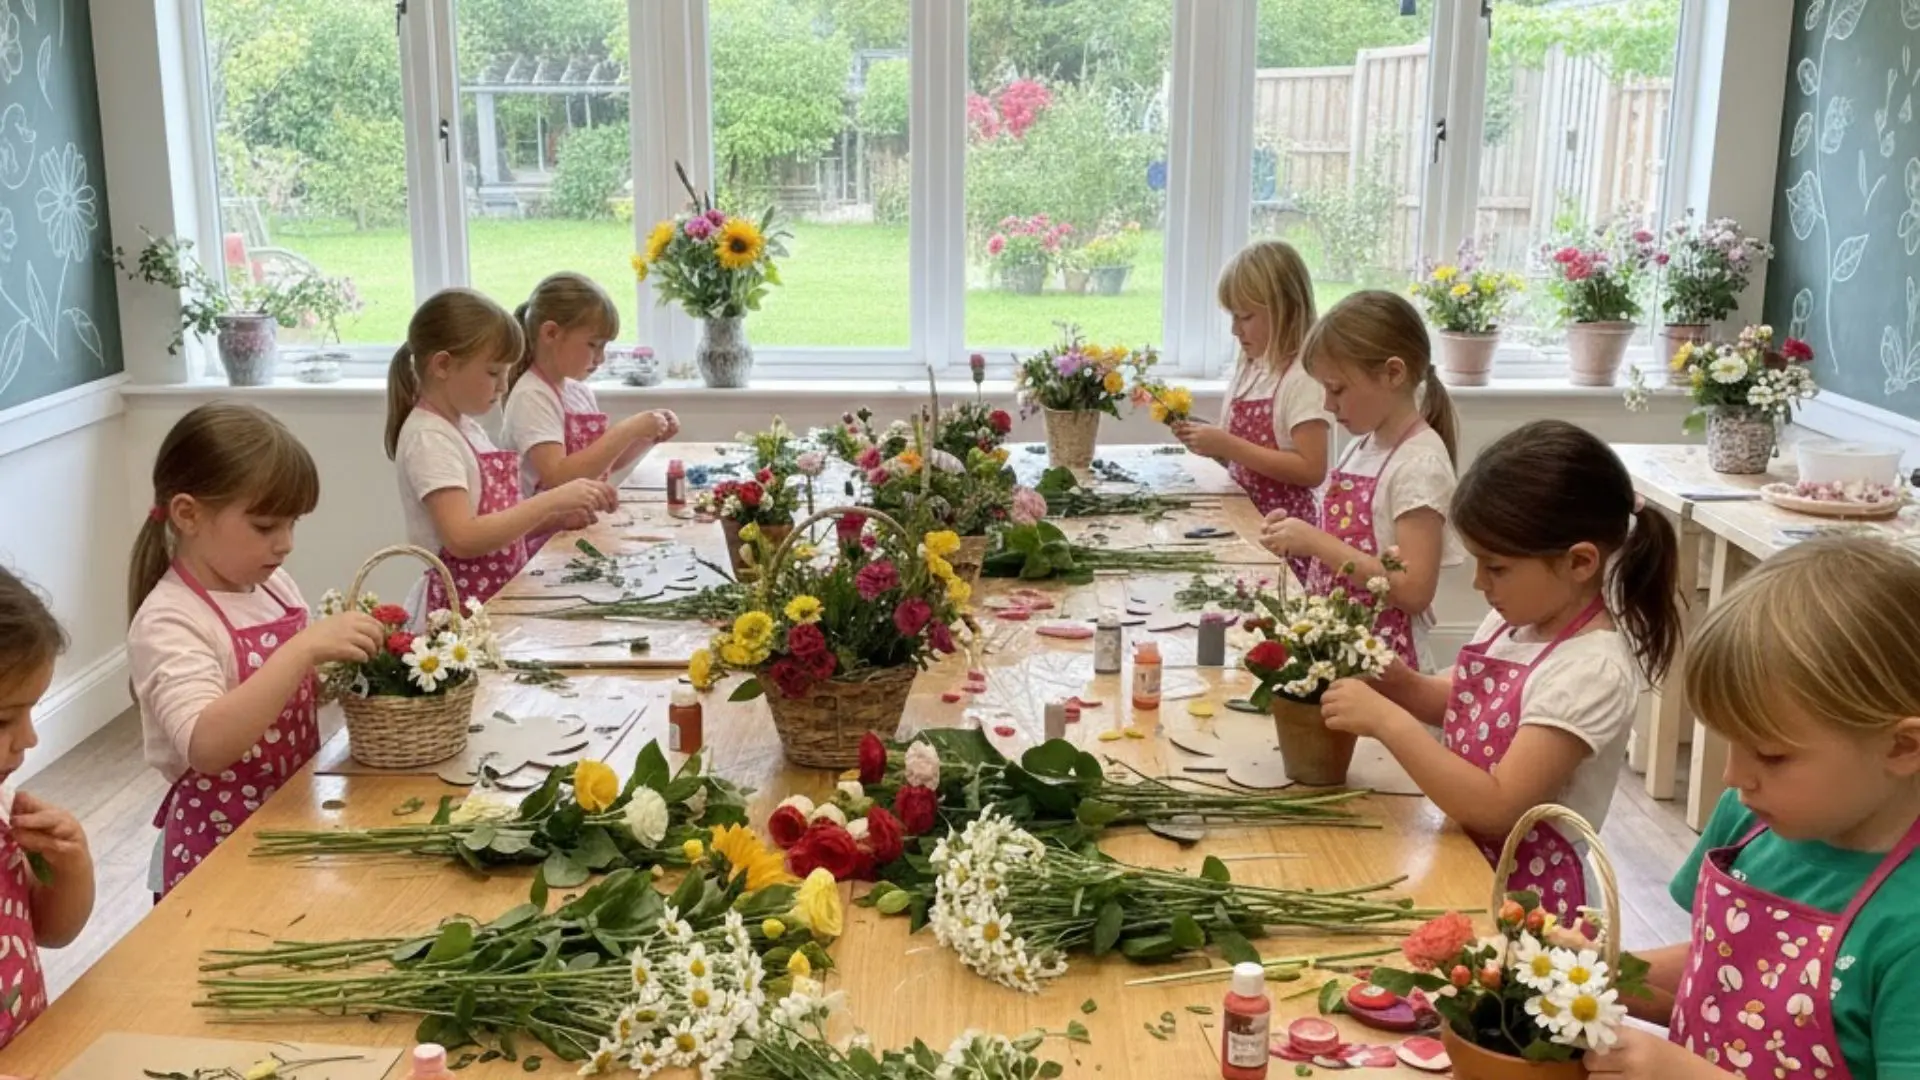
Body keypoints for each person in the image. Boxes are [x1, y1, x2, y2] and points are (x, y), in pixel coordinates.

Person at [1316, 421, 1679, 921]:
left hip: (1530, 908)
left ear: (1580, 562)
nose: (1479, 581)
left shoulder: (1590, 671)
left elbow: (1498, 806)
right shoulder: (1518, 620)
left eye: (1497, 566)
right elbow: (1464, 705)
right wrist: (1399, 683)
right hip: (1470, 864)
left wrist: (1388, 722)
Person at [1586, 536, 1920, 1079]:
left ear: (1902, 748)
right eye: (1727, 743)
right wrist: (1598, 974)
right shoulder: (1750, 823)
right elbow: (1723, 968)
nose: (1733, 776)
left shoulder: (1909, 926)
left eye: (1770, 754)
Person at [128, 403, 383, 897]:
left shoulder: (272, 586)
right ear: (188, 514)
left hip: (289, 815)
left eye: (292, 524)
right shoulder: (170, 620)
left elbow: (295, 697)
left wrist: (347, 666)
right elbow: (207, 746)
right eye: (266, 526)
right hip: (217, 847)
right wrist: (302, 650)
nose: (285, 543)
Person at [1257, 290, 1462, 670]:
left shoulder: (1419, 464)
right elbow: (1350, 545)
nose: (1327, 405)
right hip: (1343, 653)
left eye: (1337, 389)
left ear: (1393, 373)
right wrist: (1295, 537)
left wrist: (1316, 542)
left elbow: (1414, 591)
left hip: (1389, 667)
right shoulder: (1364, 445)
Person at [387, 287, 617, 617]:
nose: (504, 386)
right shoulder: (429, 438)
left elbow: (495, 526)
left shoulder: (464, 427)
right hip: (461, 613)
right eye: (493, 372)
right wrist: (550, 500)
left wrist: (553, 518)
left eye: (507, 373)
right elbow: (463, 538)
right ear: (442, 365)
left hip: (493, 598)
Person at [1172, 241, 1331, 585]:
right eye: (1232, 317)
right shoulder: (1251, 366)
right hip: (1245, 521)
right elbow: (1242, 462)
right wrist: (1210, 444)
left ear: (1285, 310)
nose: (1235, 329)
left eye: (1245, 317)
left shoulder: (1303, 377)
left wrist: (1227, 445)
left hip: (1282, 536)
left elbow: (1311, 468)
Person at [502, 272, 679, 553]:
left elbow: (604, 464)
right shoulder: (532, 396)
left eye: (605, 346)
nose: (601, 358)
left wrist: (646, 437)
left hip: (574, 532)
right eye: (593, 345)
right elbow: (559, 477)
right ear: (550, 333)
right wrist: (628, 429)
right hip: (541, 543)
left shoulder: (577, 391)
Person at [0, 567, 94, 1047]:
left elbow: (50, 931)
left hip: (30, 1048)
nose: (29, 739)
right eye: (3, 720)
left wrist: (70, 867)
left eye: (31, 711)